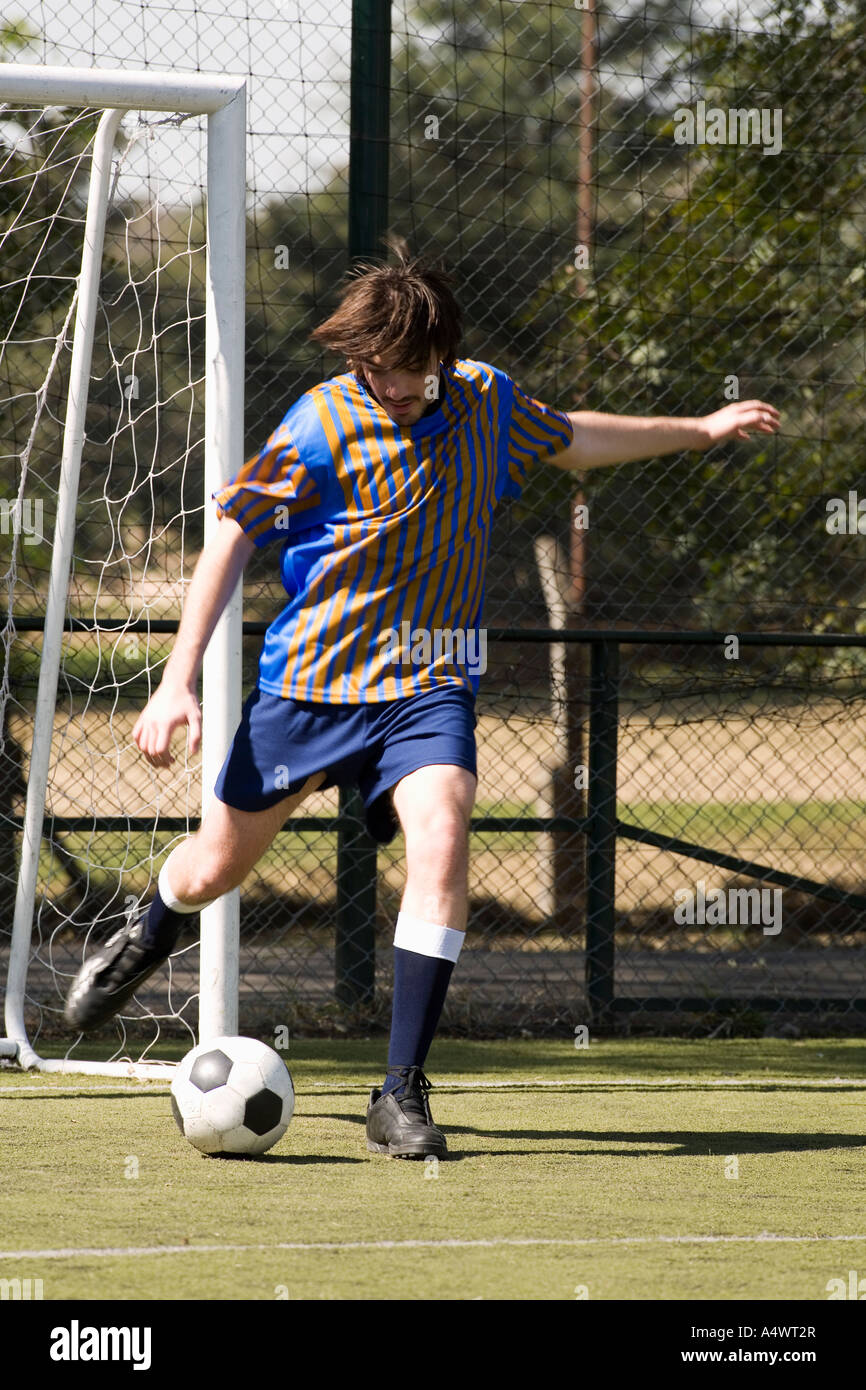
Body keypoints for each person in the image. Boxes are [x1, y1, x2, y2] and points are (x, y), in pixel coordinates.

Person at [64, 240, 780, 1158]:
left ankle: (399, 1091)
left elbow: (578, 439)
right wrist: (178, 679)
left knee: (443, 835)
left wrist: (701, 428)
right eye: (373, 371)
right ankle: (145, 931)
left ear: (443, 352)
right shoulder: (320, 423)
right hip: (309, 690)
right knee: (213, 871)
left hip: (431, 686)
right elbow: (234, 538)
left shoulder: (488, 400)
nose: (390, 389)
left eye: (406, 372)